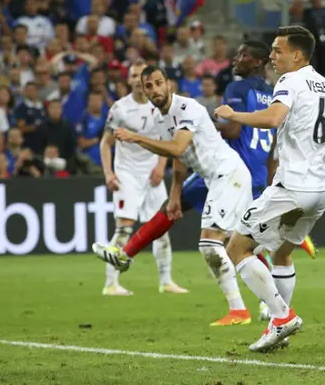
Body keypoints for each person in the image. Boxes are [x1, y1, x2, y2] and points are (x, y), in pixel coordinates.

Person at [213, 25, 325, 352]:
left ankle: (282, 317)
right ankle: (277, 329)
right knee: (281, 254)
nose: (272, 56)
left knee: (236, 248)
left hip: (293, 186)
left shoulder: (289, 81)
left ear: (297, 55)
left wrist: (232, 112)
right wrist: (312, 130)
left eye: (278, 51)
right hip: (320, 189)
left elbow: (272, 118)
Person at [93, 65, 255, 325]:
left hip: (227, 173)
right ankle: (126, 255)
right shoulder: (160, 119)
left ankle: (241, 310)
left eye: (159, 83)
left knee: (214, 244)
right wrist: (176, 193)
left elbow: (177, 145)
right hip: (208, 176)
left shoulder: (187, 108)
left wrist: (136, 137)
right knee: (176, 212)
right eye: (149, 86)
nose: (155, 90)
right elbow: (178, 154)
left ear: (168, 84)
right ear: (144, 90)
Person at [93, 61, 187, 296]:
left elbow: (169, 140)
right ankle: (111, 283)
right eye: (133, 75)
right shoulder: (120, 108)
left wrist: (160, 166)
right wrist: (108, 173)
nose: (137, 79)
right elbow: (105, 143)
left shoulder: (160, 107)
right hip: (127, 173)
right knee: (125, 227)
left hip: (152, 173)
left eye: (141, 75)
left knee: (162, 229)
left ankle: (166, 281)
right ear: (128, 79)